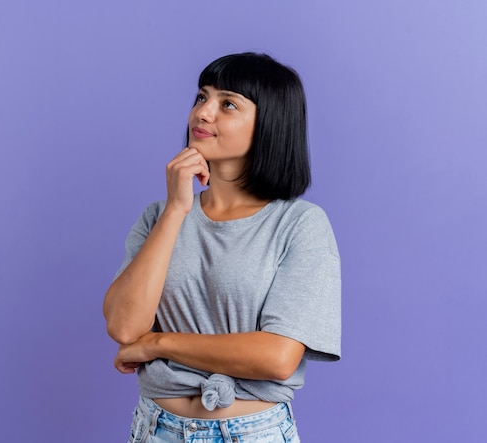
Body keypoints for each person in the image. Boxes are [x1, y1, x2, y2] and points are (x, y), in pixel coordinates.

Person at [103, 52, 341, 443]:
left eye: (227, 103)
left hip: (252, 433)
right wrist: (177, 209)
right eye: (201, 97)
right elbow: (125, 327)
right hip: (156, 428)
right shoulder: (157, 217)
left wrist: (158, 343)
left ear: (270, 123)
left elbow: (278, 358)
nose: (203, 113)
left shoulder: (300, 224)